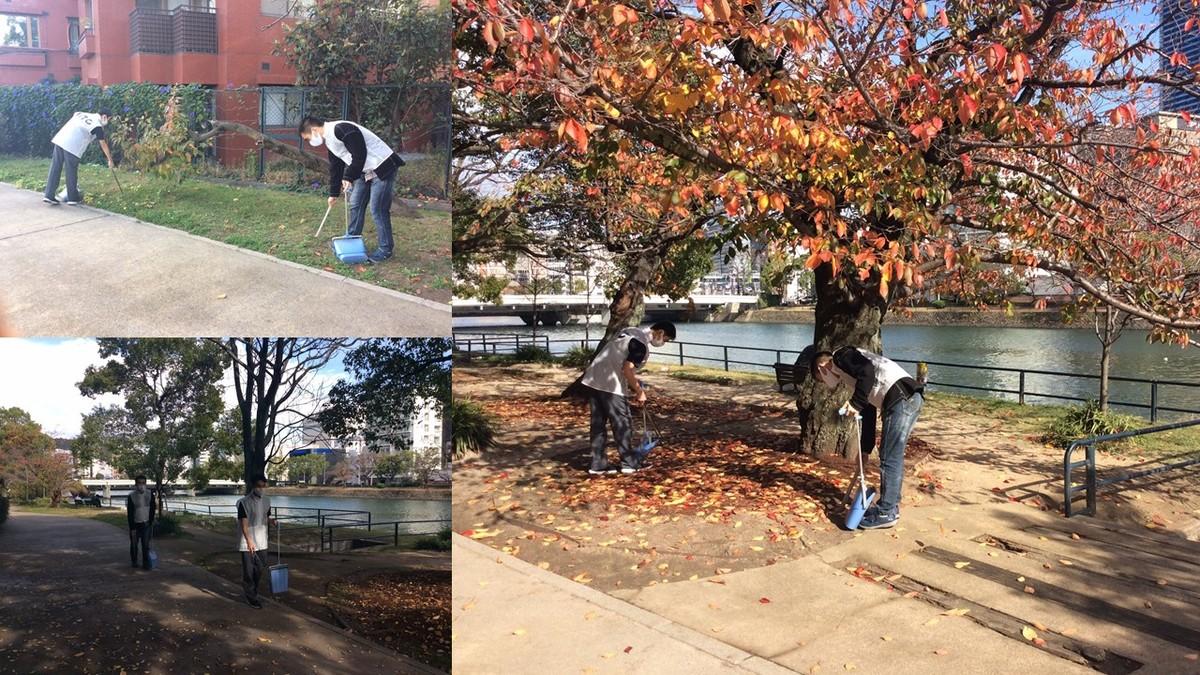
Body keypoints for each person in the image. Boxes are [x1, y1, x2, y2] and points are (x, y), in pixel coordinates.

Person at [797, 345, 924, 529]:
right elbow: (869, 409)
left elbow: (867, 371)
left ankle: (886, 511)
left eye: (822, 380)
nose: (827, 383)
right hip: (907, 398)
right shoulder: (851, 376)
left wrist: (855, 403)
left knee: (889, 457)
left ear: (822, 368)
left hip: (902, 397)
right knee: (891, 455)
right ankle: (890, 506)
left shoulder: (841, 356)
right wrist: (865, 449)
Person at [297, 115, 406, 263]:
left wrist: (348, 177)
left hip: (382, 166)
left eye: (308, 138)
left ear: (314, 129)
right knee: (355, 204)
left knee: (378, 209)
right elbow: (336, 167)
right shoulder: (330, 141)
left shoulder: (342, 128)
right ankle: (352, 239)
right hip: (364, 171)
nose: (310, 142)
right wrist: (333, 193)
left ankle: (385, 249)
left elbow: (360, 154)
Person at [579, 322, 677, 475]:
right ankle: (629, 463)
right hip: (612, 386)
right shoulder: (640, 345)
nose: (664, 343)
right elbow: (627, 369)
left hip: (593, 379)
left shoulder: (629, 332)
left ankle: (598, 465)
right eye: (666, 339)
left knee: (598, 424)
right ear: (660, 332)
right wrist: (639, 391)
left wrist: (636, 383)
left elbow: (619, 360)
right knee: (622, 424)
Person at [44, 108, 116, 206]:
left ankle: (48, 195)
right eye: (109, 119)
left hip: (60, 139)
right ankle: (72, 198)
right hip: (73, 145)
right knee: (71, 171)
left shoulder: (80, 113)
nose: (109, 121)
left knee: (55, 167)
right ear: (104, 117)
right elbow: (103, 144)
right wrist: (110, 160)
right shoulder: (97, 126)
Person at [237, 475, 273, 608]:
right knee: (248, 570)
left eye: (263, 486)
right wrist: (249, 541)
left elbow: (266, 516)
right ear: (253, 486)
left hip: (262, 540)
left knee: (260, 568)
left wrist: (272, 521)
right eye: (259, 486)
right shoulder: (243, 502)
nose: (261, 488)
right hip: (247, 541)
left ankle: (253, 591)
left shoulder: (267, 501)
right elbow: (244, 524)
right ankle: (251, 596)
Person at [125, 475, 156, 570]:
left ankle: (146, 564)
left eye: (143, 483)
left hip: (146, 524)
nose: (141, 485)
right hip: (135, 524)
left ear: (146, 483)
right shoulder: (131, 496)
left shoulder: (150, 494)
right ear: (136, 484)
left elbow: (153, 509)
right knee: (134, 545)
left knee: (145, 545)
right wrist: (132, 528)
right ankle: (134, 562)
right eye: (139, 483)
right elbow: (130, 513)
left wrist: (151, 522)